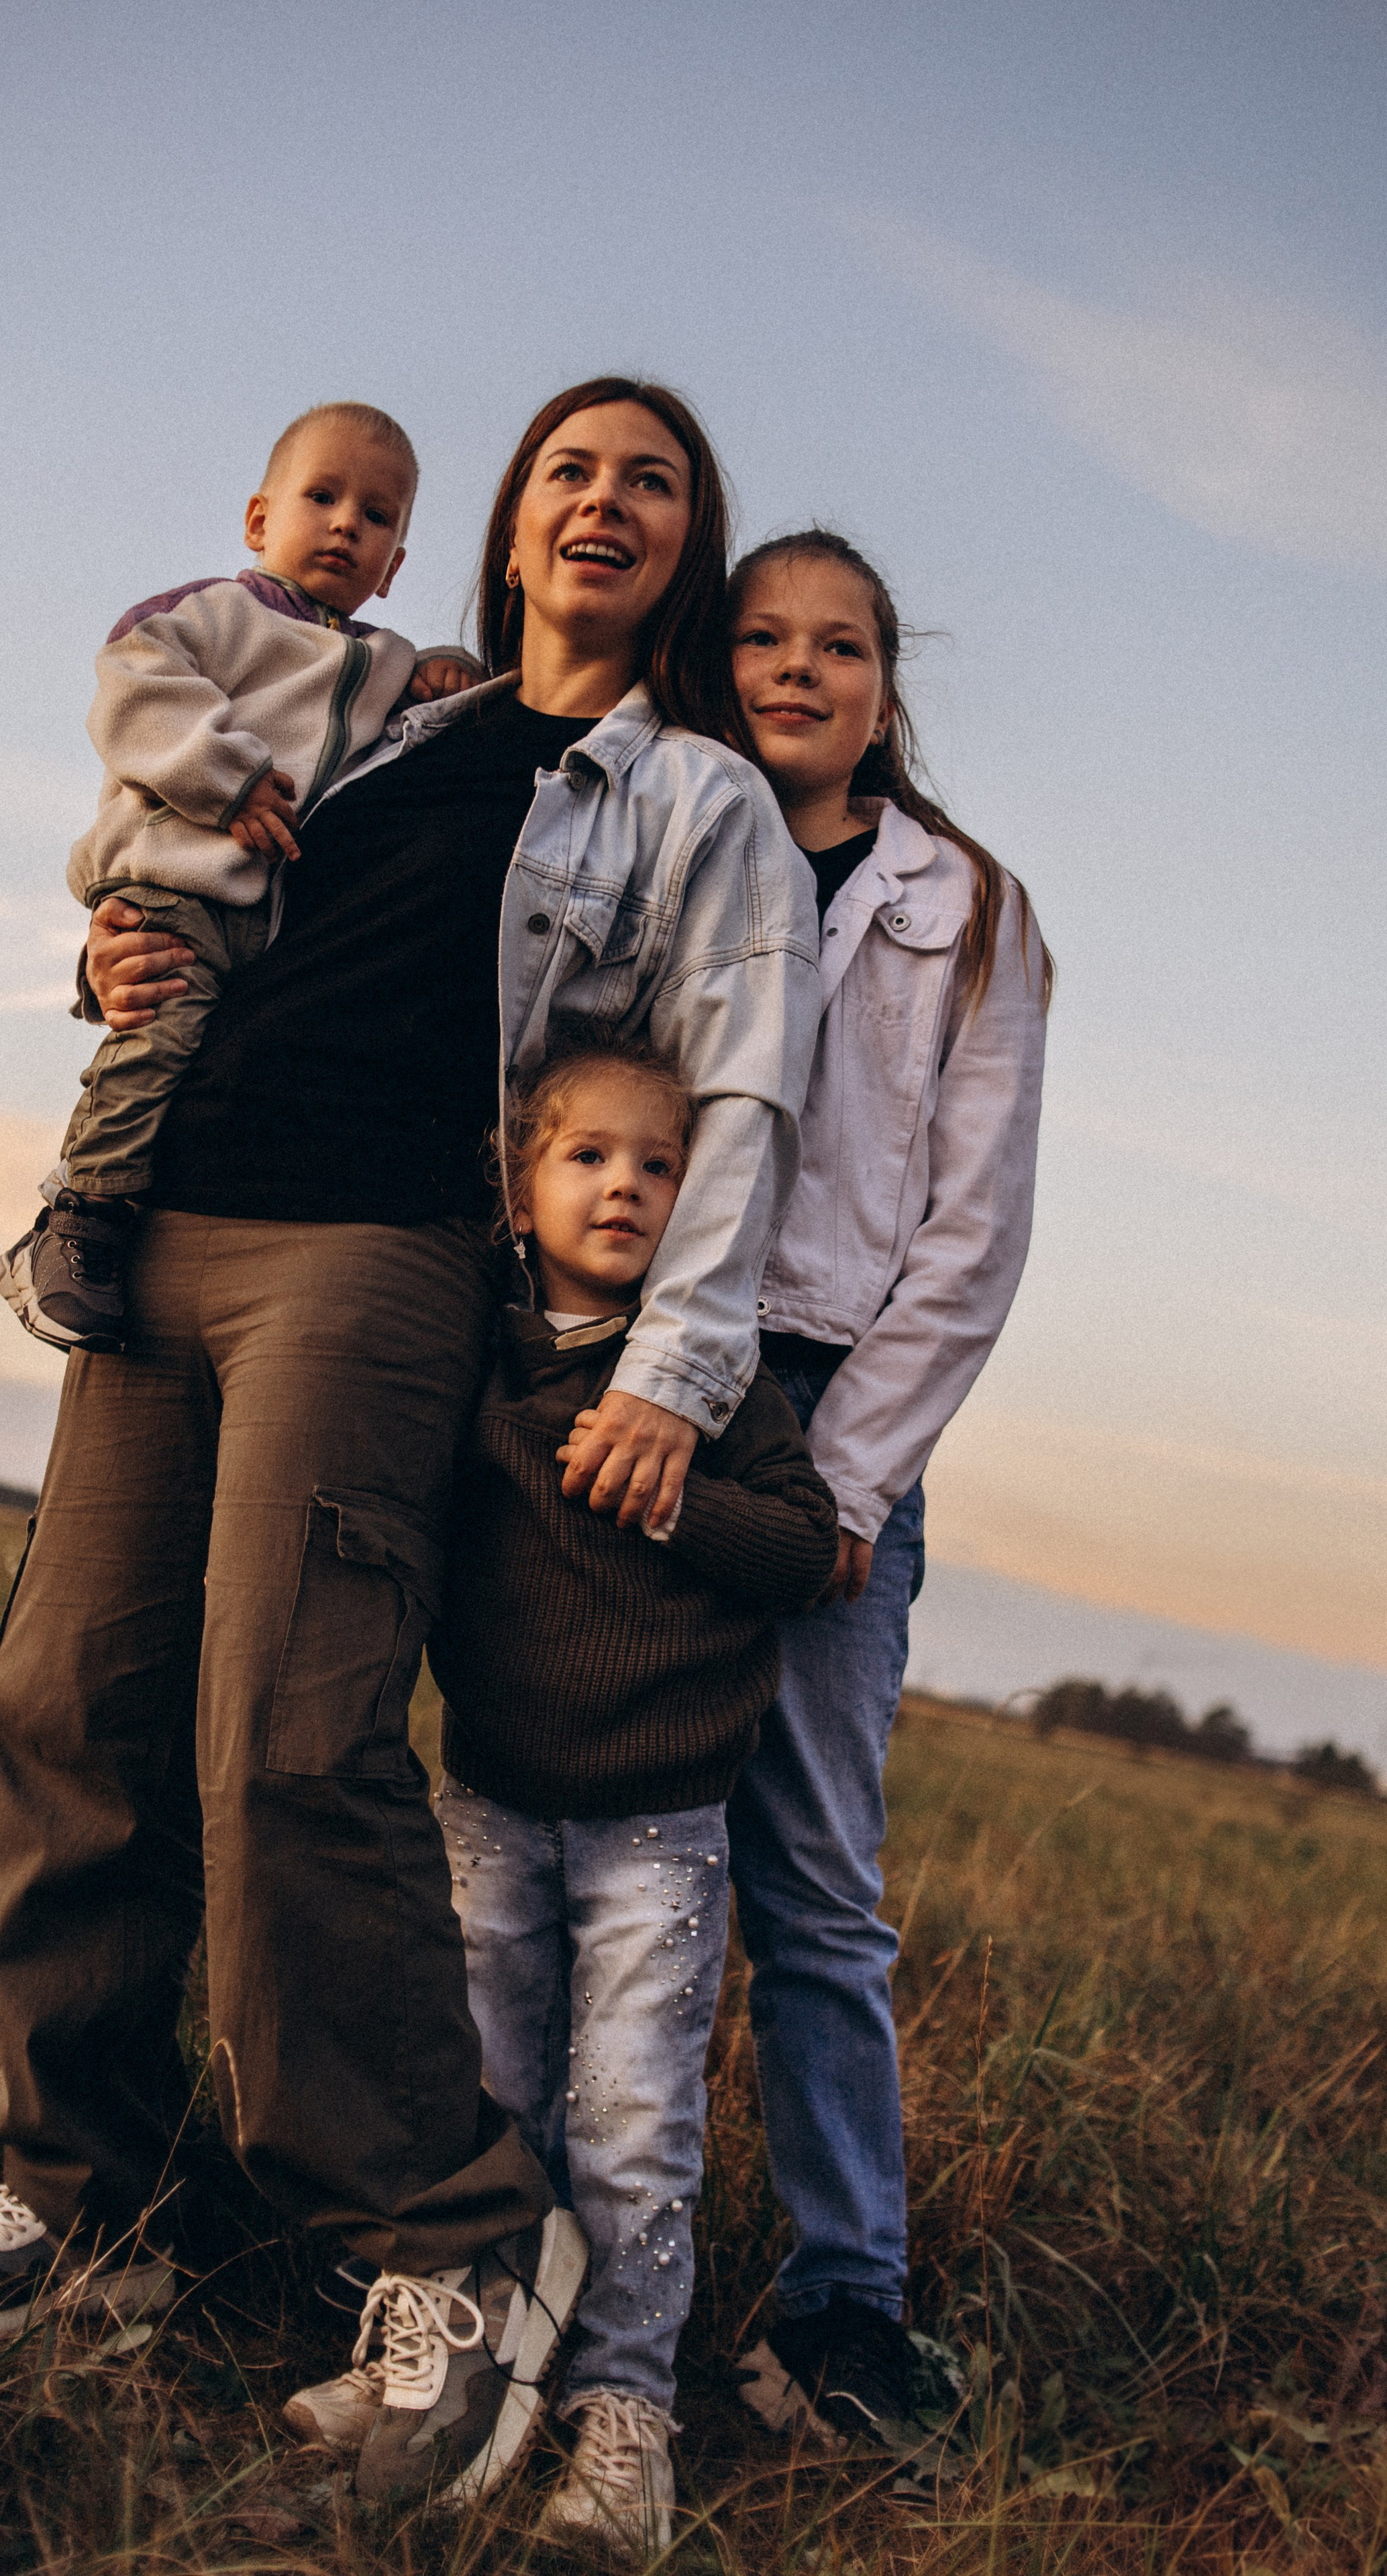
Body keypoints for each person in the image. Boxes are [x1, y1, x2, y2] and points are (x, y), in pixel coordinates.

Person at [0, 380, 821, 2512]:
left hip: (378, 1252)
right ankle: (81, 2190)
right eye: (573, 467)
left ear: (684, 546)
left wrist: (677, 1374)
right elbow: (209, 872)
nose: (606, 500)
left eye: (654, 480)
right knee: (65, 1706)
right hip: (169, 1218)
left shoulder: (691, 797)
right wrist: (117, 953)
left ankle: (453, 2245)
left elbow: (745, 1097)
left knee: (286, 1744)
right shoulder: (384, 712)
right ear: (510, 518)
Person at [721, 529, 1051, 2463]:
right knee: (588, 1844)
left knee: (817, 1889)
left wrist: (848, 1477)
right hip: (642, 1380)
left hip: (830, 1402)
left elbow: (973, 1232)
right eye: (761, 637)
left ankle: (845, 2303)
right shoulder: (661, 830)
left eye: (837, 644)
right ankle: (545, 2241)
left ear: (883, 687)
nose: (798, 667)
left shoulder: (968, 907)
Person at [424, 1038, 836, 2557]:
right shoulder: (475, 1346)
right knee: (483, 2097)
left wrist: (677, 1496)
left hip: (656, 1825)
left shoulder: (710, 1373)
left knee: (633, 2122)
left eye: (660, 1167)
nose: (624, 1188)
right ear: (519, 1182)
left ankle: (622, 2414)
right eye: (588, 1156)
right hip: (490, 1800)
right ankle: (466, 2371)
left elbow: (802, 1549)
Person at [0, 398, 479, 1354]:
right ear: (260, 519)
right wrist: (230, 778)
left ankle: (128, 1219)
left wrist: (447, 668)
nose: (347, 524)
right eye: (322, 497)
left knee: (208, 1065)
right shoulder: (212, 614)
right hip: (174, 880)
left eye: (377, 516)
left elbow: (411, 719)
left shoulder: (381, 660)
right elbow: (133, 689)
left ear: (394, 566)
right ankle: (78, 1217)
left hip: (271, 916)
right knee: (158, 1035)